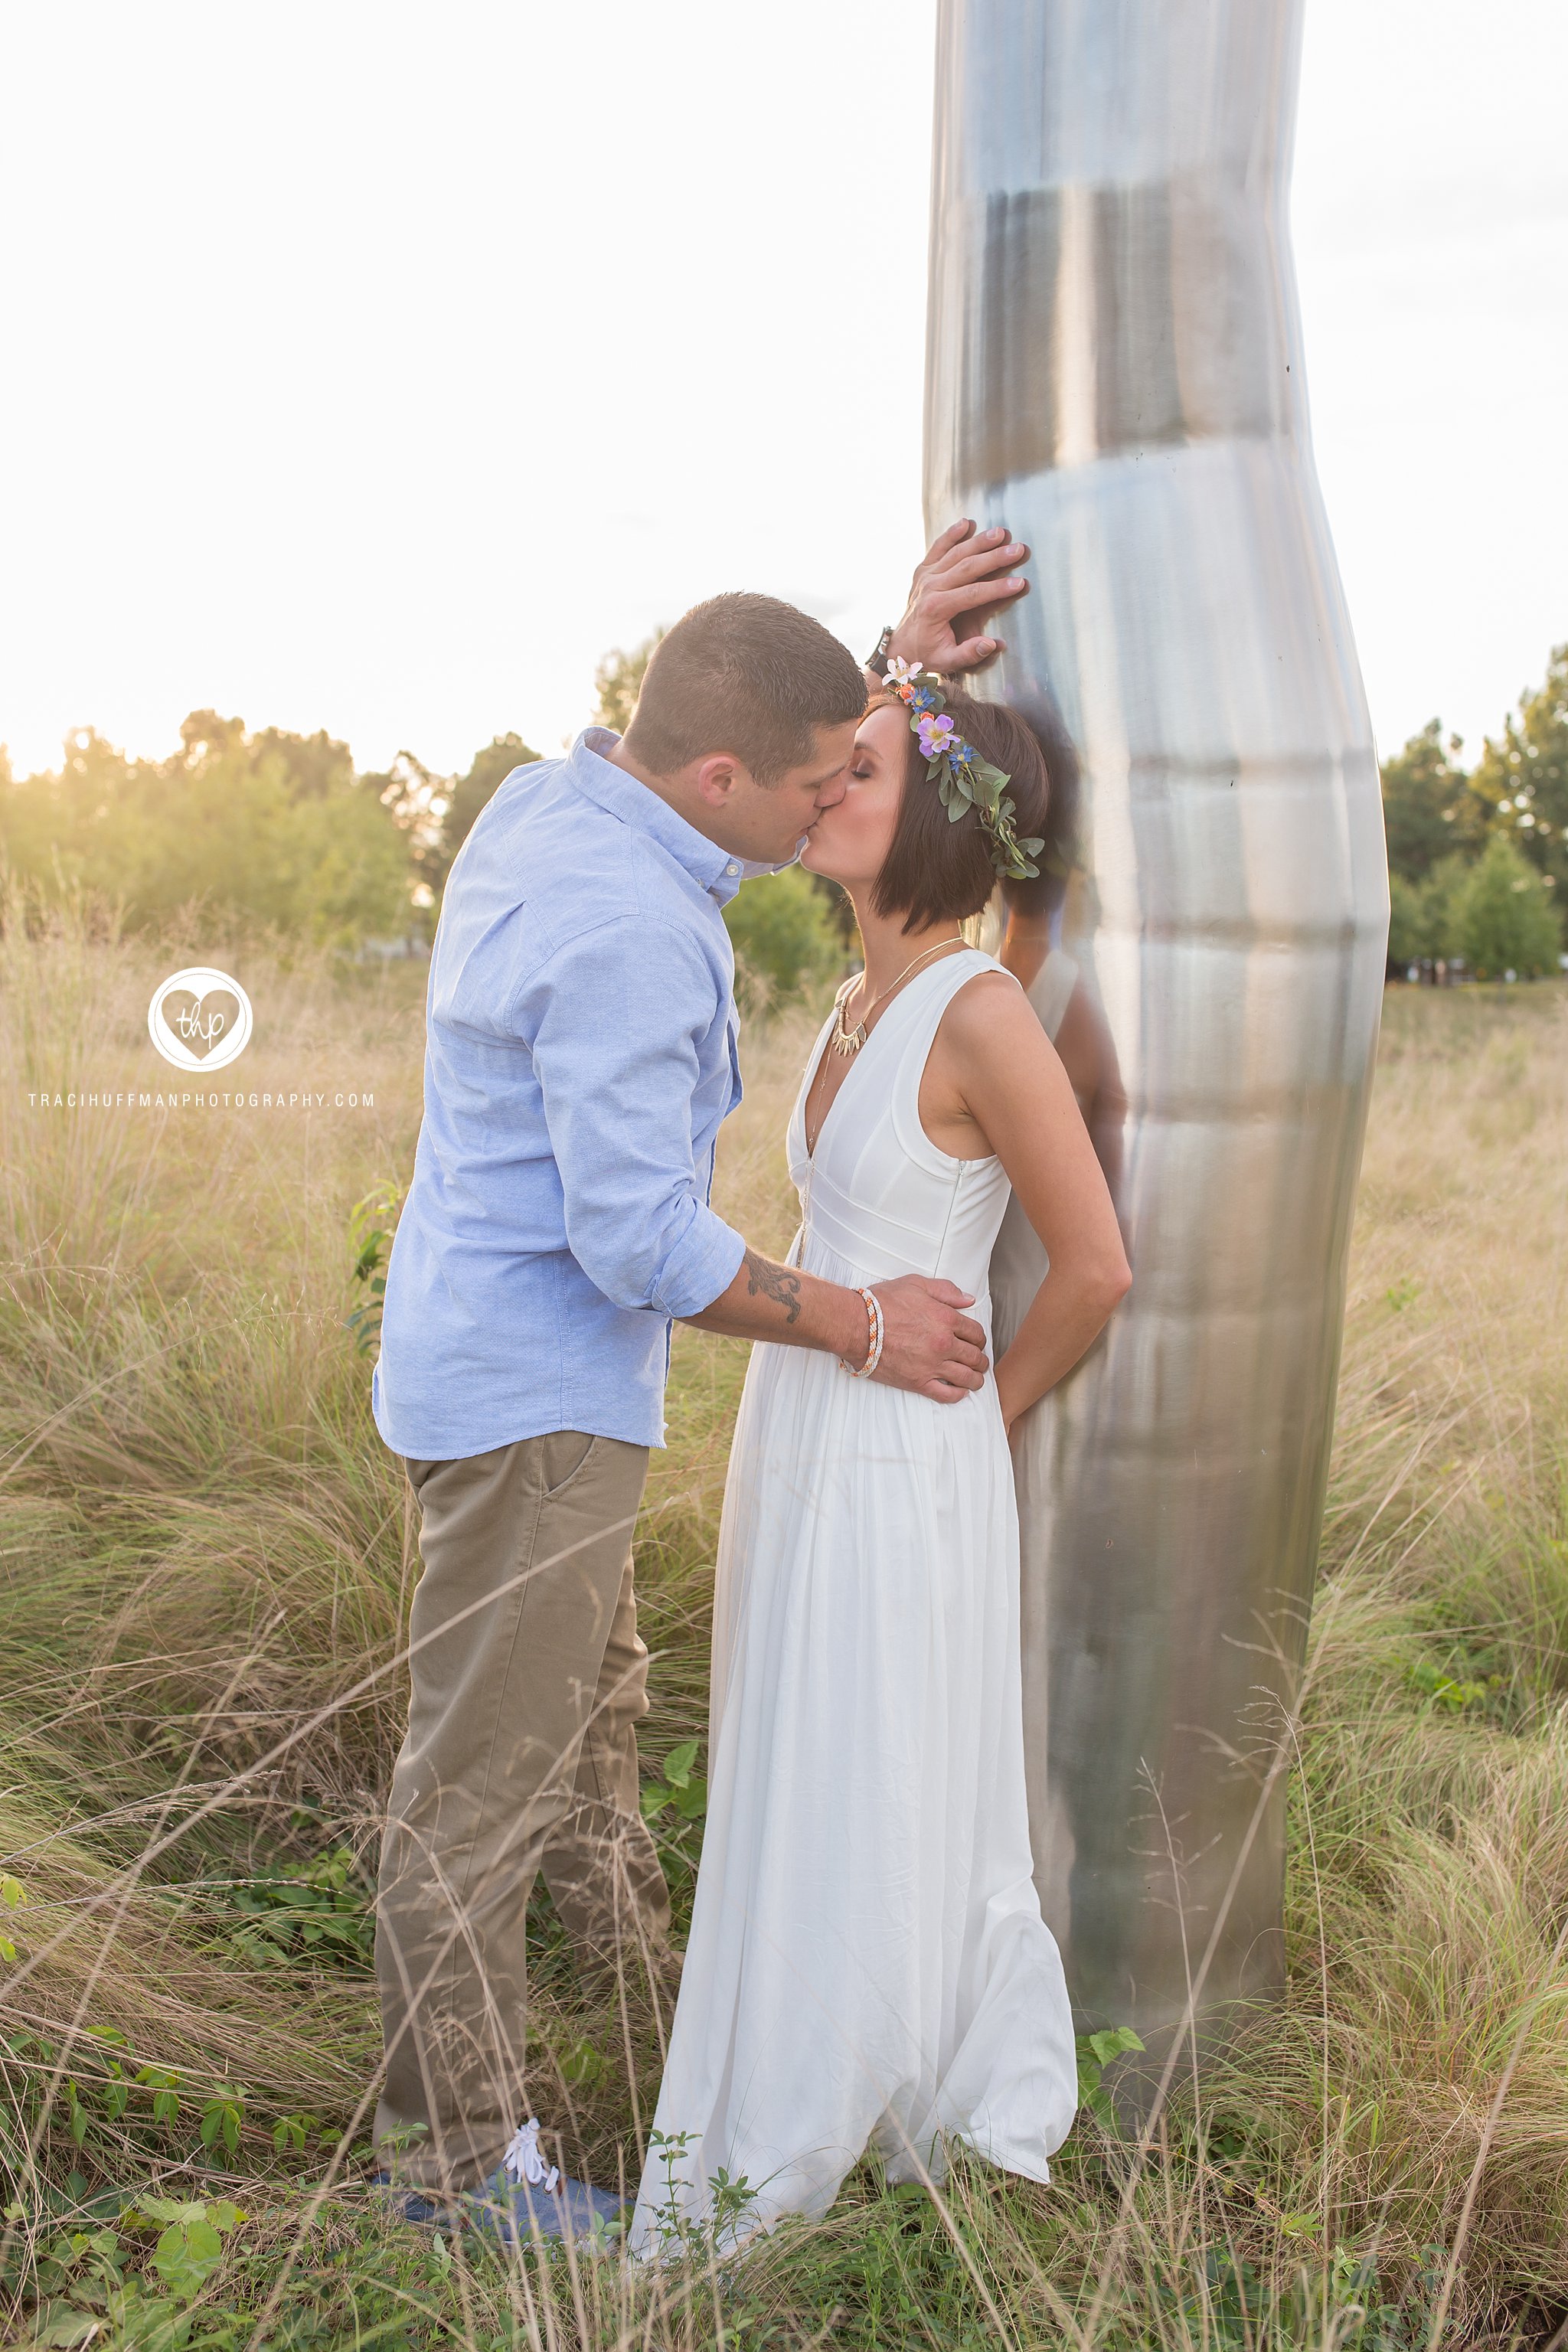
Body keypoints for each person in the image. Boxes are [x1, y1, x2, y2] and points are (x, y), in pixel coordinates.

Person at [368, 524, 1032, 2242]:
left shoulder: (560, 797)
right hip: (538, 1408)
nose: (828, 816)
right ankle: (453, 2187)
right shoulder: (632, 936)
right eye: (813, 786)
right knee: (476, 1795)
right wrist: (857, 1322)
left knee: (587, 1731)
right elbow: (639, 1244)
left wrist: (885, 674)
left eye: (851, 782)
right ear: (723, 775)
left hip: (492, 1377)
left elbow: (751, 761)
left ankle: (650, 2027)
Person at [629, 665, 1131, 2252]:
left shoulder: (976, 1009)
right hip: (805, 1427)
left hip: (909, 1458)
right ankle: (787, 2065)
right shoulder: (853, 995)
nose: (825, 786)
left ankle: (861, 2085)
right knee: (801, 1749)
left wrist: (969, 1433)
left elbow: (1095, 1266)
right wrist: (901, 636)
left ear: (938, 816)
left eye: (859, 769)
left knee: (882, 1765)